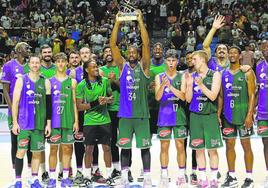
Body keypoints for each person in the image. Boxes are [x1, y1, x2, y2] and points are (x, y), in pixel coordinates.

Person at [110, 10, 152, 187]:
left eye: (135, 51)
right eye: (130, 51)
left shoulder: (144, 66)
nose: (132, 53)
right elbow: (113, 45)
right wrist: (117, 23)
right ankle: (125, 177)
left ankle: (148, 178)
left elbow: (147, 43)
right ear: (127, 53)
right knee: (125, 147)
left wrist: (140, 21)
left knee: (144, 148)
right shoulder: (122, 67)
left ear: (139, 53)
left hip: (142, 115)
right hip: (125, 115)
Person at [11, 55, 51, 188]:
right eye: (32, 62)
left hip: (39, 124)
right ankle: (17, 180)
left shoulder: (45, 82)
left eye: (37, 62)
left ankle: (33, 179)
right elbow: (15, 103)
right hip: (24, 123)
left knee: (37, 152)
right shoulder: (21, 80)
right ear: (29, 64)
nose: (35, 65)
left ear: (40, 64)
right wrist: (15, 123)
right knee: (21, 152)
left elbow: (49, 105)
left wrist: (48, 124)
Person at [218, 46, 256, 188]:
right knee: (229, 145)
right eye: (230, 52)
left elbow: (252, 94)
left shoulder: (247, 72)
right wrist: (218, 115)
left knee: (246, 145)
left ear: (240, 56)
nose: (232, 54)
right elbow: (221, 96)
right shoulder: (223, 73)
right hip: (228, 116)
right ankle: (232, 176)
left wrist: (249, 115)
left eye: (235, 53)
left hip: (243, 115)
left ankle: (249, 178)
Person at [185, 50, 223, 187]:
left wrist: (200, 85)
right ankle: (202, 178)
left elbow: (213, 96)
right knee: (198, 149)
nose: (192, 61)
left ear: (202, 60)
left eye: (194, 59)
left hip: (210, 116)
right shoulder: (191, 75)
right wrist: (189, 85)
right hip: (195, 116)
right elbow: (188, 99)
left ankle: (213, 178)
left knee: (212, 149)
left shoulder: (215, 74)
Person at [76, 59, 115, 187]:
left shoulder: (104, 81)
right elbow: (79, 106)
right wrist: (96, 103)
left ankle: (109, 175)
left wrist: (106, 100)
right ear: (87, 70)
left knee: (107, 148)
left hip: (105, 120)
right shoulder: (81, 85)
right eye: (93, 67)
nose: (97, 69)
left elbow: (111, 98)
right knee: (89, 149)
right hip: (90, 121)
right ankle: (87, 176)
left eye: (97, 67)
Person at [155, 49, 187, 187]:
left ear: (177, 61)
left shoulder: (183, 76)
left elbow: (184, 97)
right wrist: (163, 84)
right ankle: (164, 175)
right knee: (164, 146)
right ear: (165, 61)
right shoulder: (159, 76)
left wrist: (171, 87)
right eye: (169, 60)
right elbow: (157, 97)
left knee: (180, 146)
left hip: (179, 115)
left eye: (174, 61)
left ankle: (181, 175)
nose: (171, 63)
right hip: (164, 116)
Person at [47, 53, 79, 188]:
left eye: (63, 61)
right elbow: (47, 105)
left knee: (67, 148)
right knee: (53, 149)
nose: (60, 64)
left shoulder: (72, 82)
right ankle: (52, 178)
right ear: (55, 63)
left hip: (68, 119)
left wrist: (76, 121)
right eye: (58, 61)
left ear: (67, 63)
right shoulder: (49, 81)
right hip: (54, 121)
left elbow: (74, 103)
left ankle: (65, 178)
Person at [1, 42, 32, 178]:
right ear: (19, 50)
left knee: (30, 140)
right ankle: (16, 174)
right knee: (15, 140)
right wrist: (12, 108)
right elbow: (6, 91)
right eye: (26, 48)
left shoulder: (31, 65)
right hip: (15, 110)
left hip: (30, 110)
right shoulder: (8, 66)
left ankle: (32, 172)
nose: (29, 50)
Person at [99, 45, 121, 180]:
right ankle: (116, 168)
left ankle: (126, 169)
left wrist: (113, 80)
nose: (108, 53)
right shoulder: (100, 70)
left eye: (110, 51)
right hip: (107, 111)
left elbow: (126, 87)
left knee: (124, 140)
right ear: (103, 55)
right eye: (106, 51)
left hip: (122, 109)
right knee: (110, 140)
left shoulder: (120, 68)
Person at [257, 40, 268, 187]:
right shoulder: (259, 66)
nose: (266, 49)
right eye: (264, 47)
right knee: (266, 143)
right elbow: (256, 89)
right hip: (263, 111)